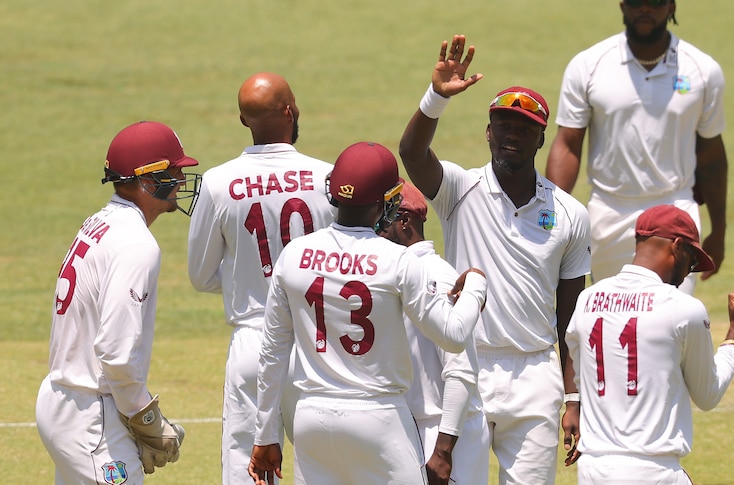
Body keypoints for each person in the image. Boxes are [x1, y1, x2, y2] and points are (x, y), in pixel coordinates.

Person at [400, 35, 593, 484]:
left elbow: (570, 317)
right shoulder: (457, 190)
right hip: (466, 369)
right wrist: (435, 97)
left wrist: (574, 397)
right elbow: (411, 154)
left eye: (524, 128)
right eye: (503, 124)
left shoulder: (569, 215)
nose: (512, 134)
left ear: (542, 138)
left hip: (535, 374)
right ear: (488, 131)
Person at [247, 141, 488, 485]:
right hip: (379, 418)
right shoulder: (399, 261)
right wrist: (476, 285)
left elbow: (273, 352)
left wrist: (265, 433)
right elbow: (453, 335)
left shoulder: (295, 254)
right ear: (387, 200)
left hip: (311, 418)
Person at [187, 72, 335, 484]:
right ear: (291, 111)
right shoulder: (328, 178)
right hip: (315, 343)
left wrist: (244, 277)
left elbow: (201, 276)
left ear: (242, 120)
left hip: (253, 342)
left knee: (247, 468)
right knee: (318, 467)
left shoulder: (216, 183)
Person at [35, 121, 200, 483]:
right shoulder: (137, 245)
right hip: (92, 415)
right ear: (147, 179)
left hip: (61, 398)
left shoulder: (98, 222)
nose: (182, 181)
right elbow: (116, 352)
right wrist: (146, 419)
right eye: (174, 172)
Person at [564, 204, 734, 484]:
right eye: (691, 261)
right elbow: (708, 394)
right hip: (653, 470)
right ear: (677, 247)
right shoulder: (682, 308)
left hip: (594, 469)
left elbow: (574, 354)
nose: (687, 273)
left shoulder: (589, 299)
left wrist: (572, 405)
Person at [546, 0, 728, 294]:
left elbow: (712, 157)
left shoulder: (703, 71)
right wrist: (550, 216)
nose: (645, 8)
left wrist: (719, 230)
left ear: (671, 6)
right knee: (609, 315)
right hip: (608, 211)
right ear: (622, 4)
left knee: (672, 315)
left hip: (674, 207)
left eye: (655, 1)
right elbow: (568, 145)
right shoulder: (589, 65)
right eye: (636, 1)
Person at [376, 181, 489, 485]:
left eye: (383, 220)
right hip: (415, 426)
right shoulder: (397, 274)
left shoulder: (435, 277)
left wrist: (442, 451)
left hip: (446, 430)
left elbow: (461, 371)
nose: (376, 229)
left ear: (405, 221)